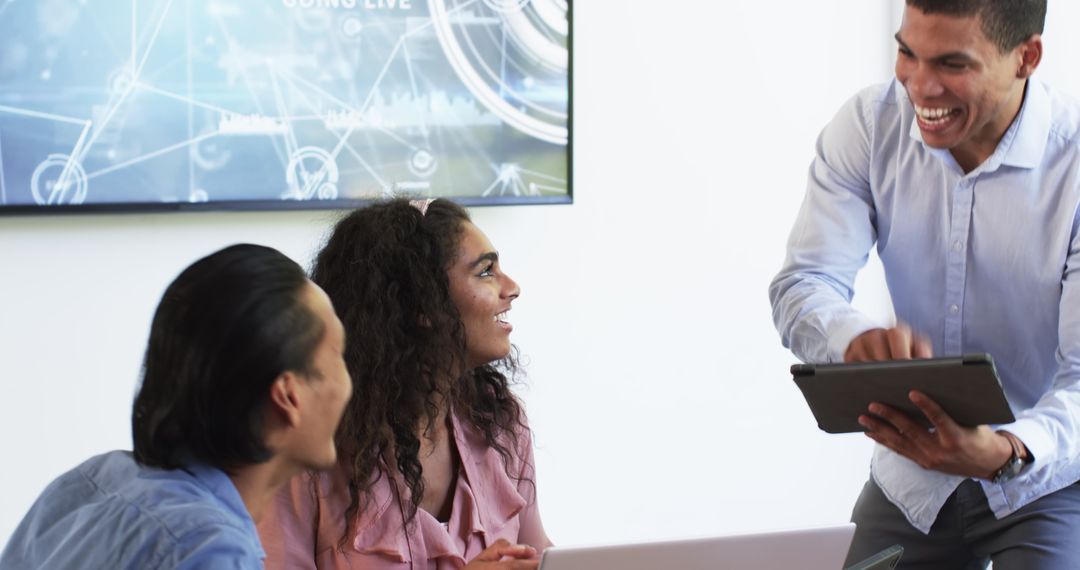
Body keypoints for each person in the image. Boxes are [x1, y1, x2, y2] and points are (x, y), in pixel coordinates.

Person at [769, 1, 1080, 568]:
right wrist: (852, 339)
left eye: (952, 64)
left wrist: (1005, 452)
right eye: (907, 52)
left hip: (1043, 476)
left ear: (1026, 58)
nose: (920, 85)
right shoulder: (868, 126)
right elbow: (803, 281)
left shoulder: (1074, 163)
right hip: (913, 483)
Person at [0, 244, 353, 569]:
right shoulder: (212, 552)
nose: (348, 381)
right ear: (288, 396)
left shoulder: (91, 480)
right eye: (338, 354)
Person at [258, 198, 550, 569]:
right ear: (422, 305)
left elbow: (539, 556)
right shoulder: (309, 447)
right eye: (485, 271)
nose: (512, 288)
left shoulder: (501, 421)